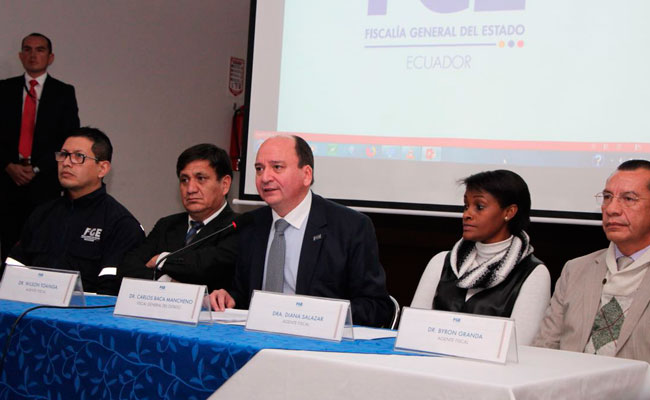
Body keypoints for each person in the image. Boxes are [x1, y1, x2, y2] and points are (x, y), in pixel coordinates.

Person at [210, 135, 391, 327]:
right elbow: (244, 295)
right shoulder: (251, 224)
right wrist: (228, 298)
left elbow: (376, 307)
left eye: (277, 167)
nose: (265, 177)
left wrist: (319, 315)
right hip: (257, 337)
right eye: (259, 169)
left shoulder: (350, 227)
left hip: (317, 340)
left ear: (306, 175)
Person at [411, 170, 551, 345]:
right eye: (466, 206)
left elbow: (519, 346)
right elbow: (412, 330)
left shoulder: (533, 273)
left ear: (509, 212)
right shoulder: (441, 262)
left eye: (479, 206)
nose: (467, 214)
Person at [534, 160, 650, 362]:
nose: (612, 209)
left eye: (628, 199)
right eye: (607, 197)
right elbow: (544, 348)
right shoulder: (576, 269)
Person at [5, 127, 144, 295]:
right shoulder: (42, 214)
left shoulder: (120, 224)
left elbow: (110, 294)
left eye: (79, 156)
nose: (66, 162)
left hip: (86, 311)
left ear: (102, 168)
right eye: (63, 155)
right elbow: (11, 274)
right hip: (31, 308)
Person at [0, 33, 80, 263]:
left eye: (40, 49)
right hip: (7, 180)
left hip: (44, 181)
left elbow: (68, 139)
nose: (33, 55)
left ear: (50, 57)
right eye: (27, 49)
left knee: (42, 242)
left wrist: (36, 169)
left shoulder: (63, 92)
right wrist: (8, 165)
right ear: (20, 56)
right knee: (8, 243)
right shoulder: (4, 89)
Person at [119, 144, 238, 292]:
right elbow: (128, 267)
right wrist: (166, 281)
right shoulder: (166, 225)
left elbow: (210, 270)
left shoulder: (237, 226)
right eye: (184, 180)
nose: (190, 189)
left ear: (225, 184)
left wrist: (162, 260)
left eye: (201, 178)